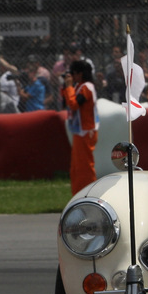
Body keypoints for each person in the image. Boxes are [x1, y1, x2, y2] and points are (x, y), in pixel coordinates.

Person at [62, 59, 99, 194]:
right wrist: (66, 87)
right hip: (79, 131)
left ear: (80, 74)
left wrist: (69, 87)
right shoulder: (78, 87)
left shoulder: (87, 88)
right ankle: (77, 194)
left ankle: (90, 193)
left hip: (86, 132)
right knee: (76, 167)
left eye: (74, 73)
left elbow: (74, 104)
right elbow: (66, 102)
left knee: (85, 166)